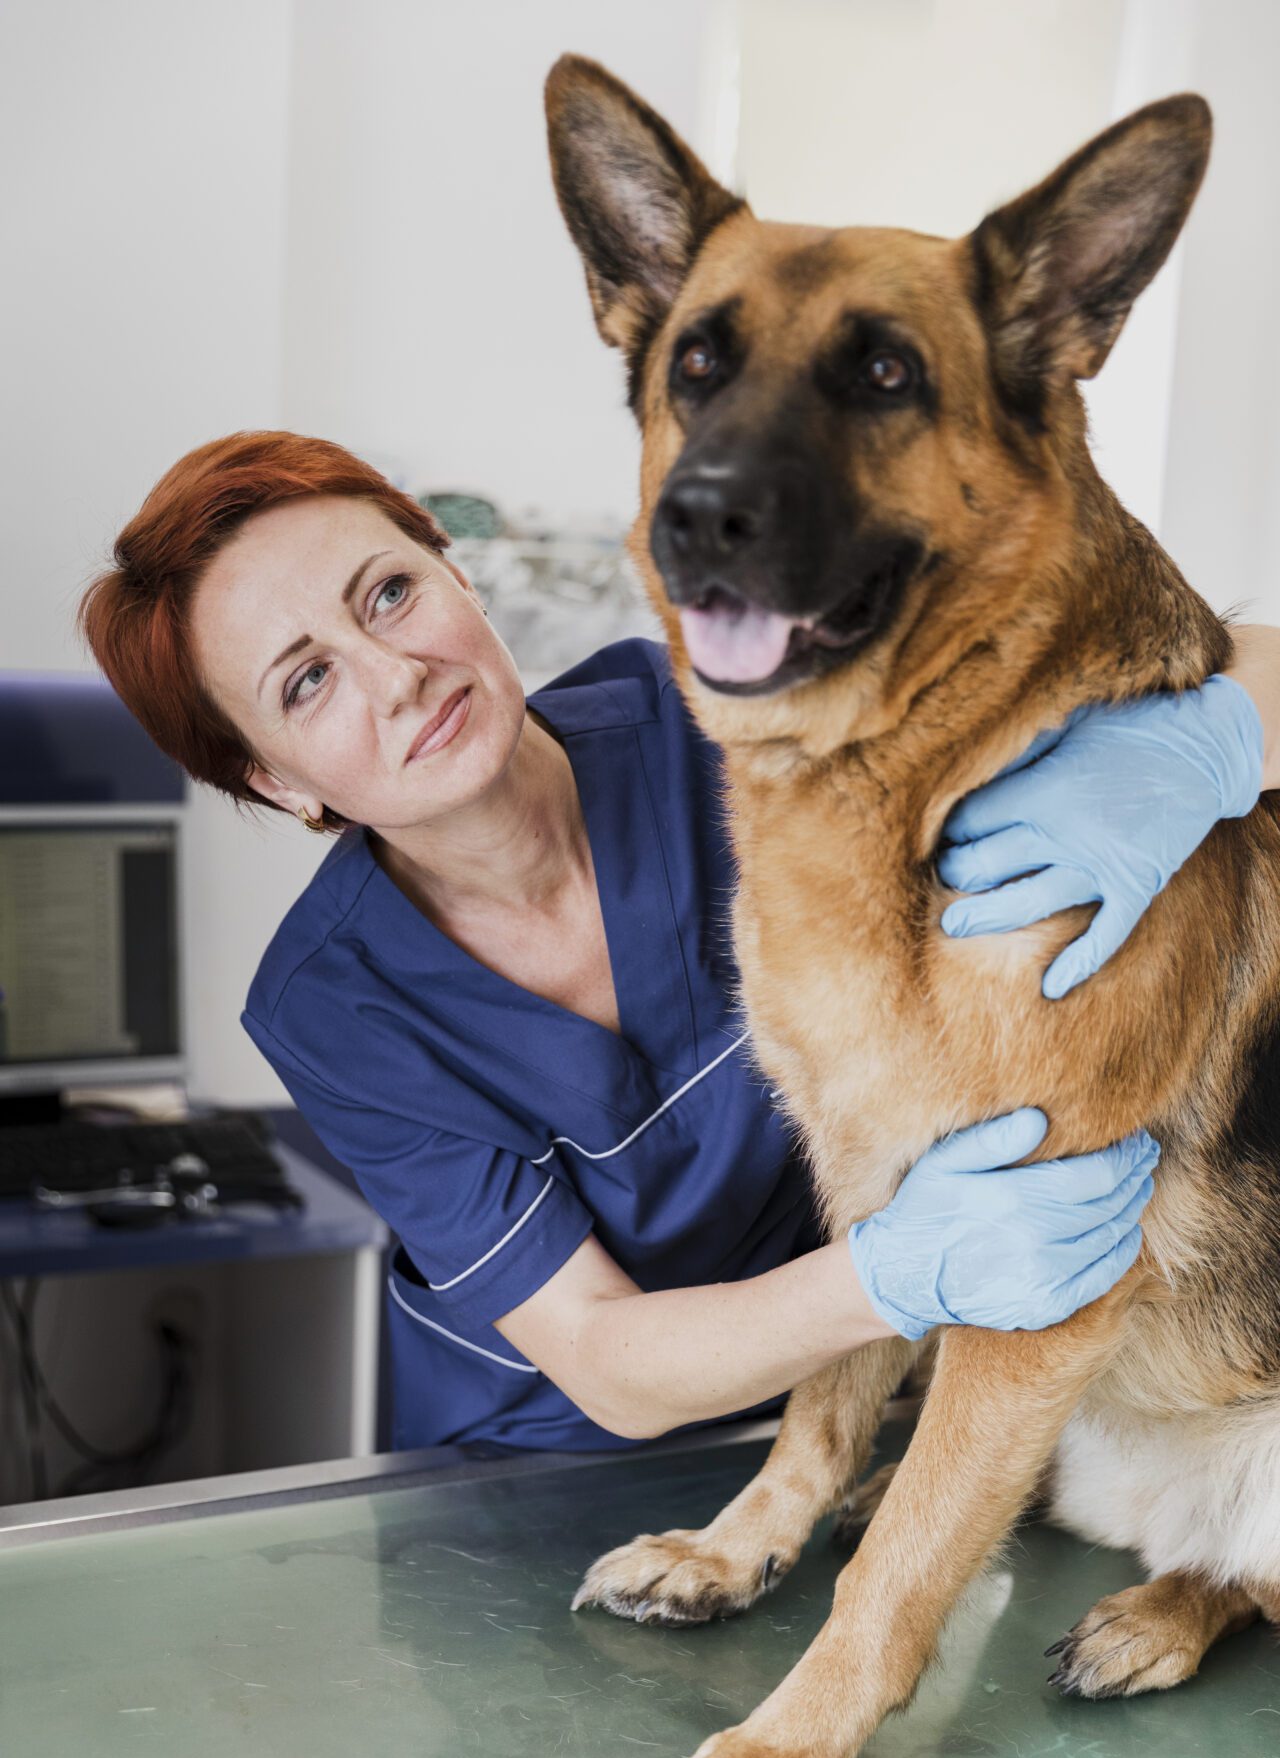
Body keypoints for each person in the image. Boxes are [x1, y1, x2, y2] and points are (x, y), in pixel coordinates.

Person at [79, 431, 1279, 1454]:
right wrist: (892, 1272)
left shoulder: (722, 716)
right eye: (306, 684)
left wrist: (1200, 745)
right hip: (538, 1469)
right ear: (275, 782)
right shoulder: (334, 1005)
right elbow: (602, 1359)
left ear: (455, 573)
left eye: (389, 591)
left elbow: (1250, 666)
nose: (396, 675)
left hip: (833, 1419)